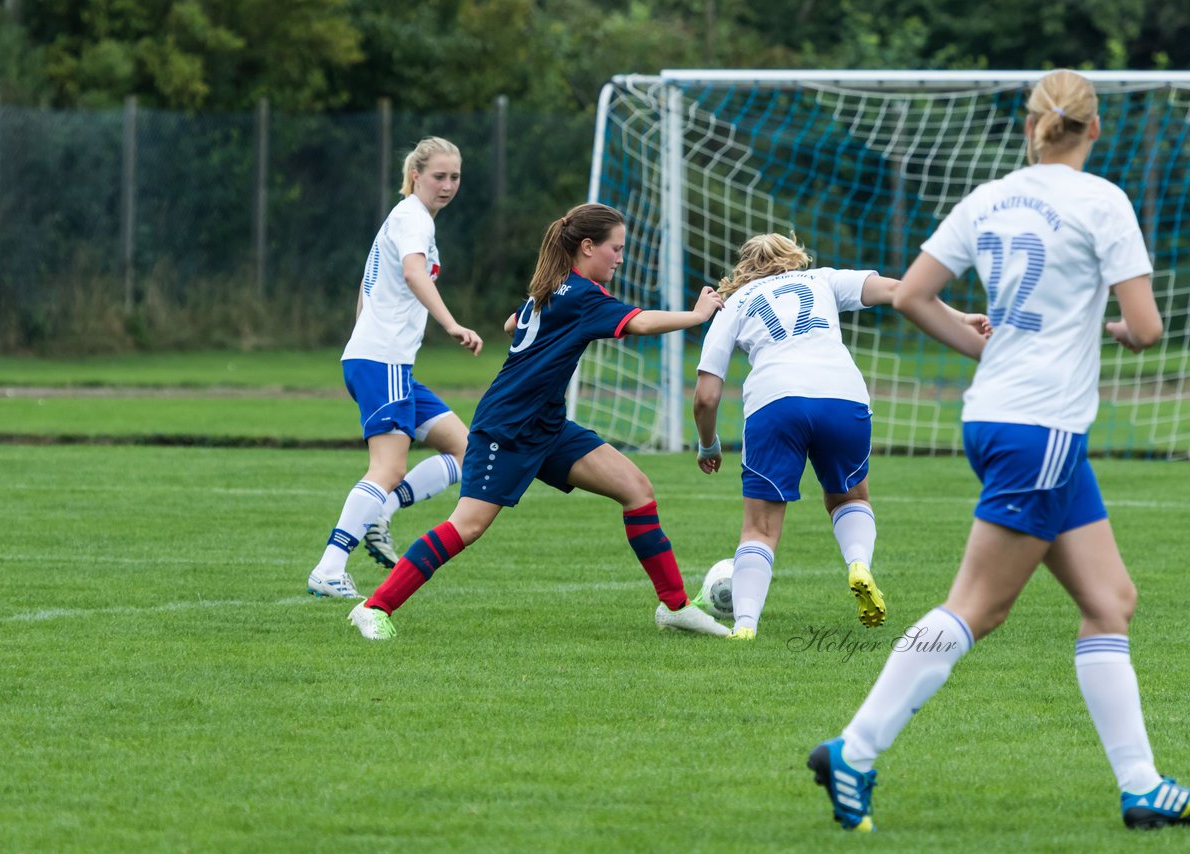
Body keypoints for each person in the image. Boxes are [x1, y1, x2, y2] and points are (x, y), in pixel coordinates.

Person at [809, 69, 1182, 832]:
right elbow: (1147, 330)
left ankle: (1142, 787)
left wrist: (990, 353)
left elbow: (913, 294)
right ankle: (855, 747)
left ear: (1028, 125)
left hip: (1003, 420)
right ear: (1094, 128)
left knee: (1110, 601)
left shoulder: (989, 198)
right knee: (981, 605)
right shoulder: (1102, 201)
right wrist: (1105, 332)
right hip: (1040, 426)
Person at [347, 202, 730, 640]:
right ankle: (374, 607)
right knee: (467, 525)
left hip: (546, 424)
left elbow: (513, 323)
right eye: (615, 248)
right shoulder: (582, 296)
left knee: (637, 490)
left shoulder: (553, 288)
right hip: (508, 427)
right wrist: (699, 315)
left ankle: (675, 606)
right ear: (587, 247)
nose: (621, 257)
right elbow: (639, 323)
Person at [691, 233, 989, 640]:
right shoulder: (823, 280)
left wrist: (708, 444)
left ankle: (745, 626)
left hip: (775, 400)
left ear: (745, 268)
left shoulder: (735, 303)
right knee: (849, 497)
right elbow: (899, 290)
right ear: (794, 259)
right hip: (842, 394)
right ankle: (858, 564)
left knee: (760, 529)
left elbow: (706, 397)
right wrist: (960, 317)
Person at [307, 137, 482, 599]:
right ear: (415, 176)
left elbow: (367, 287)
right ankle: (329, 567)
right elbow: (411, 272)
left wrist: (365, 336)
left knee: (470, 450)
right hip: (381, 361)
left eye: (455, 177)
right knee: (387, 467)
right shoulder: (411, 218)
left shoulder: (407, 218)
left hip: (387, 362)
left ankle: (381, 512)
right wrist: (449, 323)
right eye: (438, 176)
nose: (447, 185)